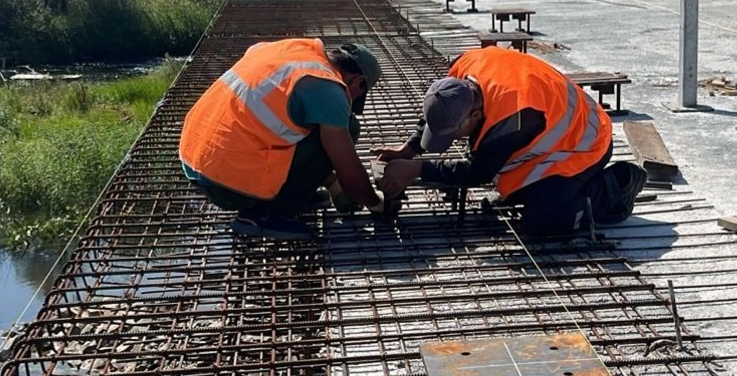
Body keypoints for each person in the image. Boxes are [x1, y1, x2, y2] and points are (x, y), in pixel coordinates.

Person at [374, 47, 647, 237]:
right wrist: (409, 149)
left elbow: (477, 171)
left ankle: (618, 184)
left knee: (543, 222)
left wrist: (417, 169)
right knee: (513, 190)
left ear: (476, 114)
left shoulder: (513, 115)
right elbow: (441, 106)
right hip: (551, 131)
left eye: (453, 134)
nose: (453, 140)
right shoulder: (462, 71)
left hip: (584, 142)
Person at [179, 38, 385, 240]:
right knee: (348, 127)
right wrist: (376, 202)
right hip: (229, 184)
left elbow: (264, 125)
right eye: (357, 96)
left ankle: (292, 194)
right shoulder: (327, 86)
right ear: (359, 82)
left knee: (311, 123)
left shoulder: (288, 52)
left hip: (197, 162)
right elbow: (348, 169)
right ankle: (265, 214)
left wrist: (331, 183)